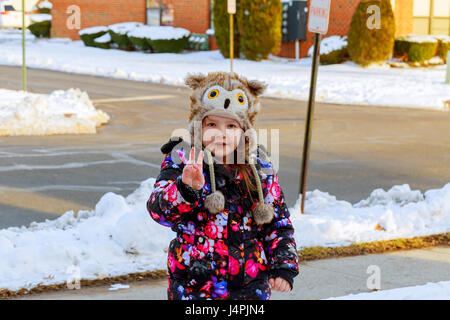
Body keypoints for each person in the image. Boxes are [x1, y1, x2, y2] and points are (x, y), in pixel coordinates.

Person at [147, 71, 299, 300]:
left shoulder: (260, 167)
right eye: (212, 124)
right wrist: (185, 189)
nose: (221, 133)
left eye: (231, 126)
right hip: (193, 288)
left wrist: (283, 266)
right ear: (198, 126)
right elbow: (159, 213)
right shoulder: (183, 159)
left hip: (250, 289)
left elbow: (278, 223)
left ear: (244, 131)